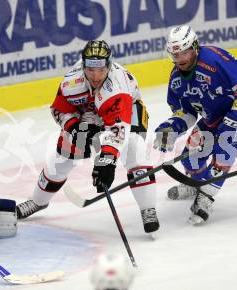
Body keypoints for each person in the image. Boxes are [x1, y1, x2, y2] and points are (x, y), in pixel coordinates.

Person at [15, 40, 159, 234]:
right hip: (89, 114)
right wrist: (74, 127)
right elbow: (59, 110)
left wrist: (106, 161)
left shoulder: (118, 88)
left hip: (128, 112)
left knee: (134, 150)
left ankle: (147, 208)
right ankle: (38, 201)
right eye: (90, 69)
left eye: (100, 69)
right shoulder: (71, 81)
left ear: (108, 65)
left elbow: (118, 129)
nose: (95, 75)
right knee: (61, 157)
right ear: (83, 65)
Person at [153, 25, 237, 224]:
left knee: (225, 146)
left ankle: (207, 195)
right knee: (191, 157)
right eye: (175, 55)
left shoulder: (215, 59)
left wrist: (231, 123)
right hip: (216, 114)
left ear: (194, 47)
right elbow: (186, 113)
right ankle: (196, 184)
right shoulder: (176, 80)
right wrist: (171, 128)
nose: (181, 59)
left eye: (185, 52)